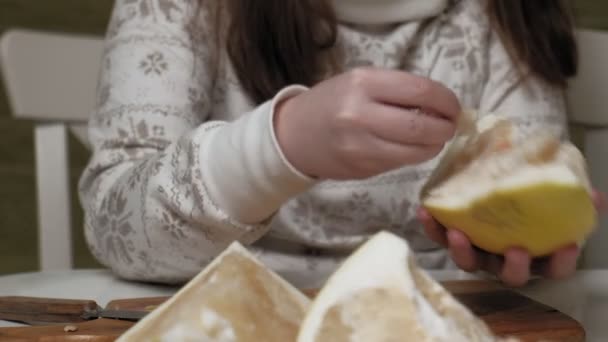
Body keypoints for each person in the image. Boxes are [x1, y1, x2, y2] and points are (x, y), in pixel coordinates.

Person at [78, 0, 598, 287]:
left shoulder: (504, 14)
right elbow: (113, 224)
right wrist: (275, 147)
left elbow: (530, 187)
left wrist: (516, 246)